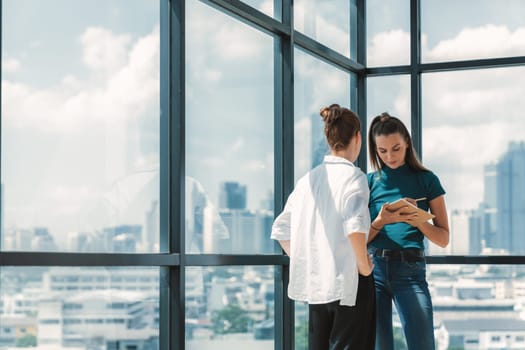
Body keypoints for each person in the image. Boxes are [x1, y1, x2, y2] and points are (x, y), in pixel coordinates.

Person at [271, 104, 376, 350]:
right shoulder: (354, 177)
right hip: (350, 283)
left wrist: (306, 259)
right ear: (358, 138)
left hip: (318, 283)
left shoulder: (308, 179)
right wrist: (365, 268)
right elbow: (355, 225)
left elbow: (281, 229)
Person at [367, 112, 450, 350]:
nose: (390, 156)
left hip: (410, 272)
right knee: (378, 345)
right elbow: (361, 239)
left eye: (396, 148)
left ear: (407, 144)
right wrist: (380, 221)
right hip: (375, 273)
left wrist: (418, 221)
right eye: (382, 151)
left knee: (422, 345)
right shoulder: (369, 182)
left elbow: (443, 238)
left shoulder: (427, 180)